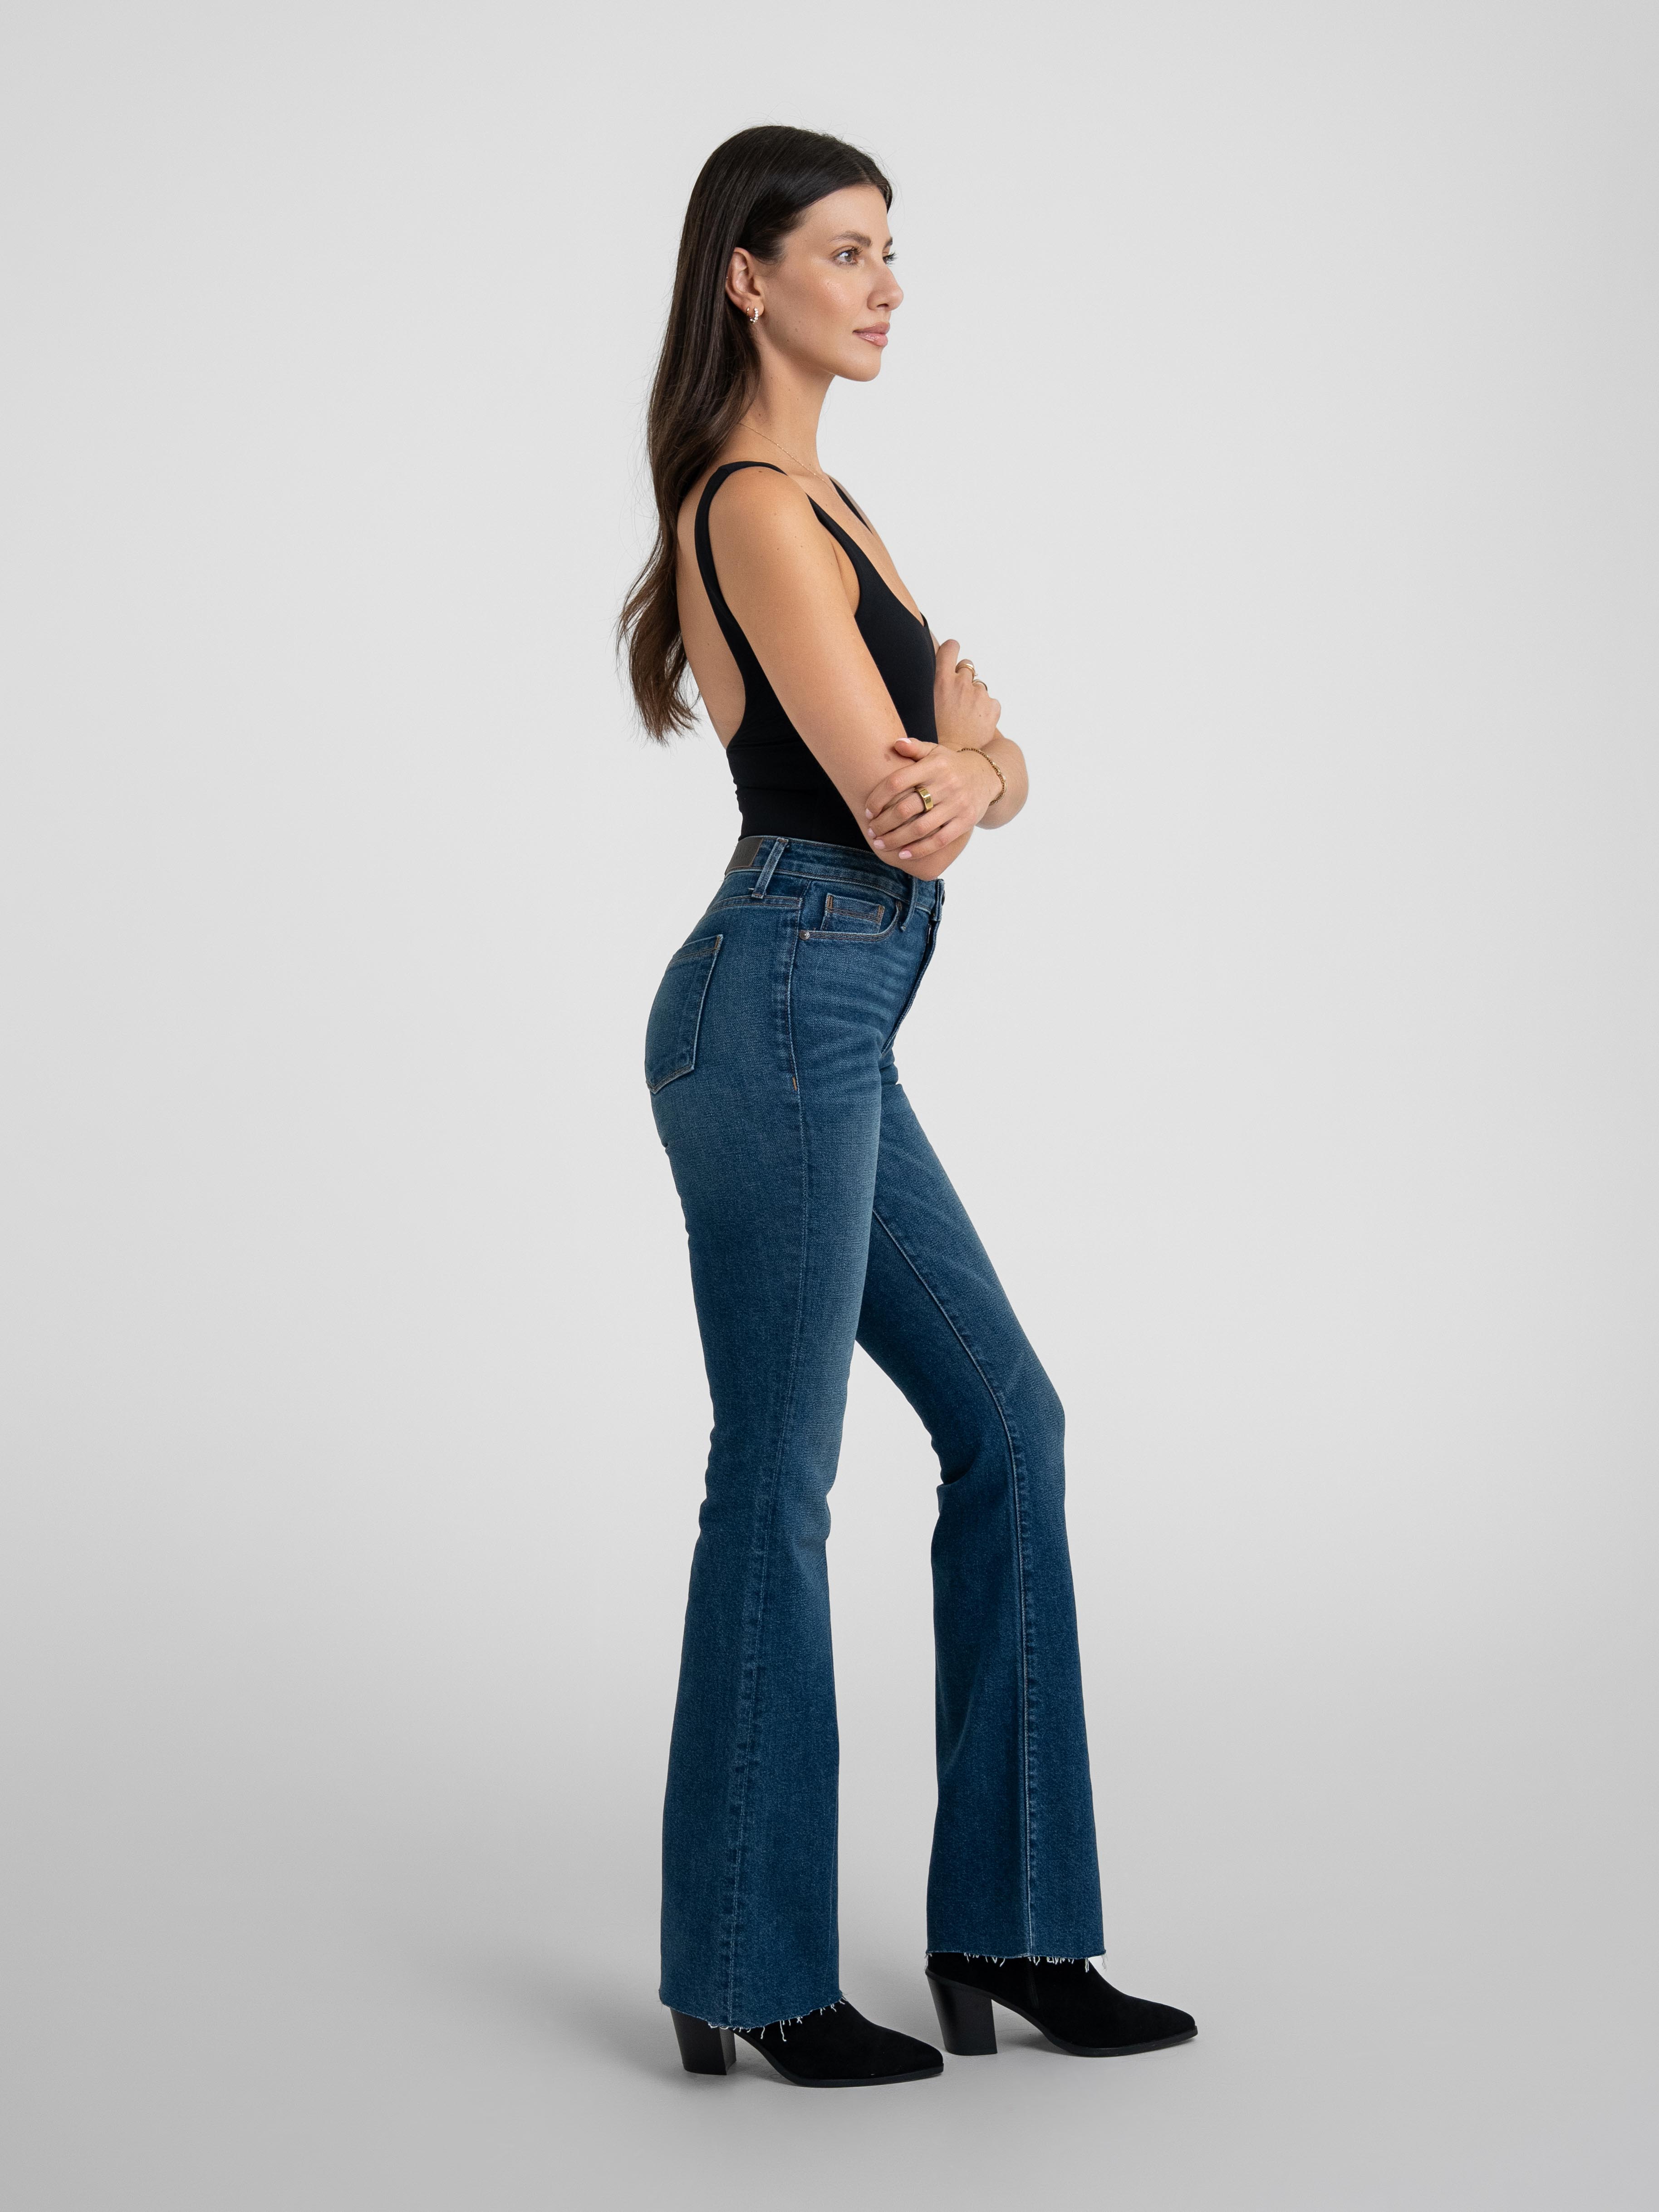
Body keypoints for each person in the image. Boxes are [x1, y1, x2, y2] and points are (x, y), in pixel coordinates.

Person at [619, 124, 1195, 2089]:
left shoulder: (833, 503)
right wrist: (969, 760)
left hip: (832, 1012)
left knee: (1007, 1420)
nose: (884, 286)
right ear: (747, 275)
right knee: (777, 1469)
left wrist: (982, 764)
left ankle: (1014, 1927)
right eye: (846, 251)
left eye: (892, 252)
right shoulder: (749, 507)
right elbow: (910, 803)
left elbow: (975, 773)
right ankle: (751, 1965)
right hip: (777, 995)